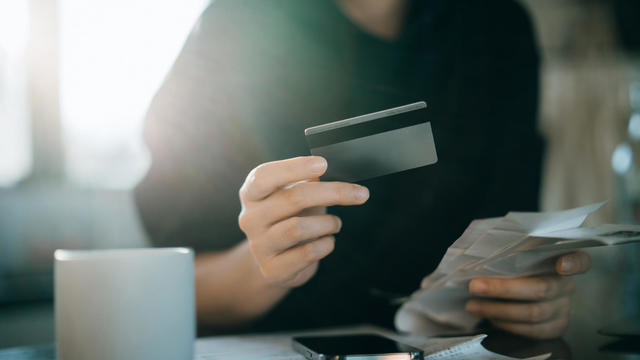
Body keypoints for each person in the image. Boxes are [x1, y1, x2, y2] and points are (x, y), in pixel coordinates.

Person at [134, 0, 591, 339]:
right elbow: (172, 293)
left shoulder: (497, 28)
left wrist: (533, 304)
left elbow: (511, 244)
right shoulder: (235, 30)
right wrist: (263, 266)